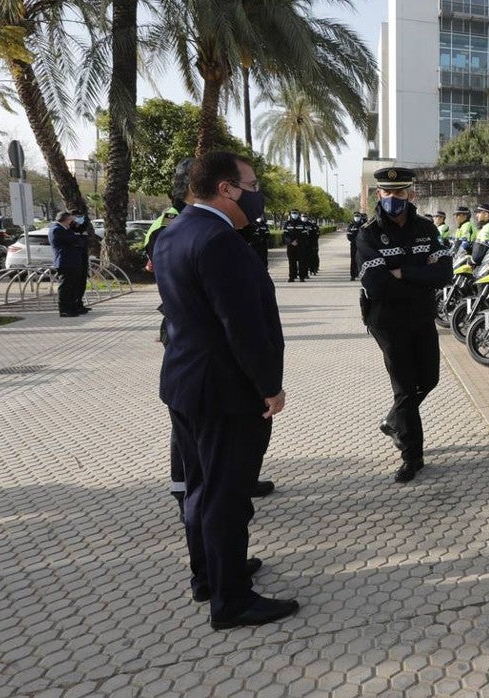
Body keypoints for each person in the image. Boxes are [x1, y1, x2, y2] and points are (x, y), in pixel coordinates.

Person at [153, 150, 297, 630]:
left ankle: (209, 574)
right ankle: (232, 600)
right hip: (225, 392)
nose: (257, 193)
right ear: (225, 189)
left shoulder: (174, 232)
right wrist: (270, 387)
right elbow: (244, 327)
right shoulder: (220, 241)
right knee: (227, 496)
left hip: (185, 384)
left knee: (200, 488)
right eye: (251, 184)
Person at [357, 167, 453, 484]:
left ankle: (393, 421)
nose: (393, 199)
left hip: (422, 315)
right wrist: (418, 272)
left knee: (429, 379)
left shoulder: (426, 228)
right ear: (378, 195)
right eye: (387, 193)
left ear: (410, 194)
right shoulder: (368, 233)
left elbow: (444, 274)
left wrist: (400, 272)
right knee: (405, 389)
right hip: (387, 321)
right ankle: (413, 457)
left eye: (400, 193)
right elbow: (376, 285)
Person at [47, 211, 89, 317]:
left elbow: (79, 240)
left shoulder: (66, 229)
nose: (72, 222)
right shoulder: (57, 229)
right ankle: (65, 309)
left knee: (73, 286)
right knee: (66, 287)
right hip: (65, 262)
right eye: (70, 220)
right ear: (65, 220)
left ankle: (72, 307)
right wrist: (81, 239)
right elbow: (75, 240)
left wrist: (81, 239)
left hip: (73, 262)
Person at [282, 210, 307, 282]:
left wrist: (297, 241)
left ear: (298, 214)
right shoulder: (287, 223)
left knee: (301, 262)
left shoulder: (302, 224)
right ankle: (292, 277)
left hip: (300, 246)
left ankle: (302, 277)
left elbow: (304, 235)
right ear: (291, 214)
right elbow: (285, 235)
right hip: (291, 246)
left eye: (295, 213)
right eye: (293, 213)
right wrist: (291, 242)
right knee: (291, 262)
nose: (294, 215)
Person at [346, 212, 367, 280]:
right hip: (354, 245)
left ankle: (362, 274)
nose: (357, 217)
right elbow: (349, 235)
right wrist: (354, 240)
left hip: (362, 245)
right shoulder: (351, 225)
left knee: (362, 259)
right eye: (355, 216)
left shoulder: (363, 225)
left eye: (358, 216)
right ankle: (353, 275)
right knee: (353, 260)